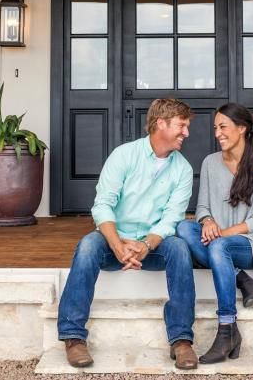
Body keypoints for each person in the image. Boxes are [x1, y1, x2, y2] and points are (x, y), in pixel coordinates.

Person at [58, 98, 198, 370]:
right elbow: (103, 205)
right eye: (182, 125)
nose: (187, 133)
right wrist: (118, 245)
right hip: (113, 242)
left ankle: (182, 341)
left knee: (180, 248)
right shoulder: (124, 155)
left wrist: (146, 245)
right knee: (87, 246)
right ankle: (73, 337)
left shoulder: (182, 169)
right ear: (161, 123)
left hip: (153, 246)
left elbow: (172, 219)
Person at [177, 103, 253, 364]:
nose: (218, 133)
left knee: (218, 247)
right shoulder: (210, 162)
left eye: (223, 127)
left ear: (242, 128)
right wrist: (208, 220)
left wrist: (223, 234)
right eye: (215, 128)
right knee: (184, 228)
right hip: (218, 241)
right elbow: (201, 208)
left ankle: (226, 327)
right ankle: (241, 278)